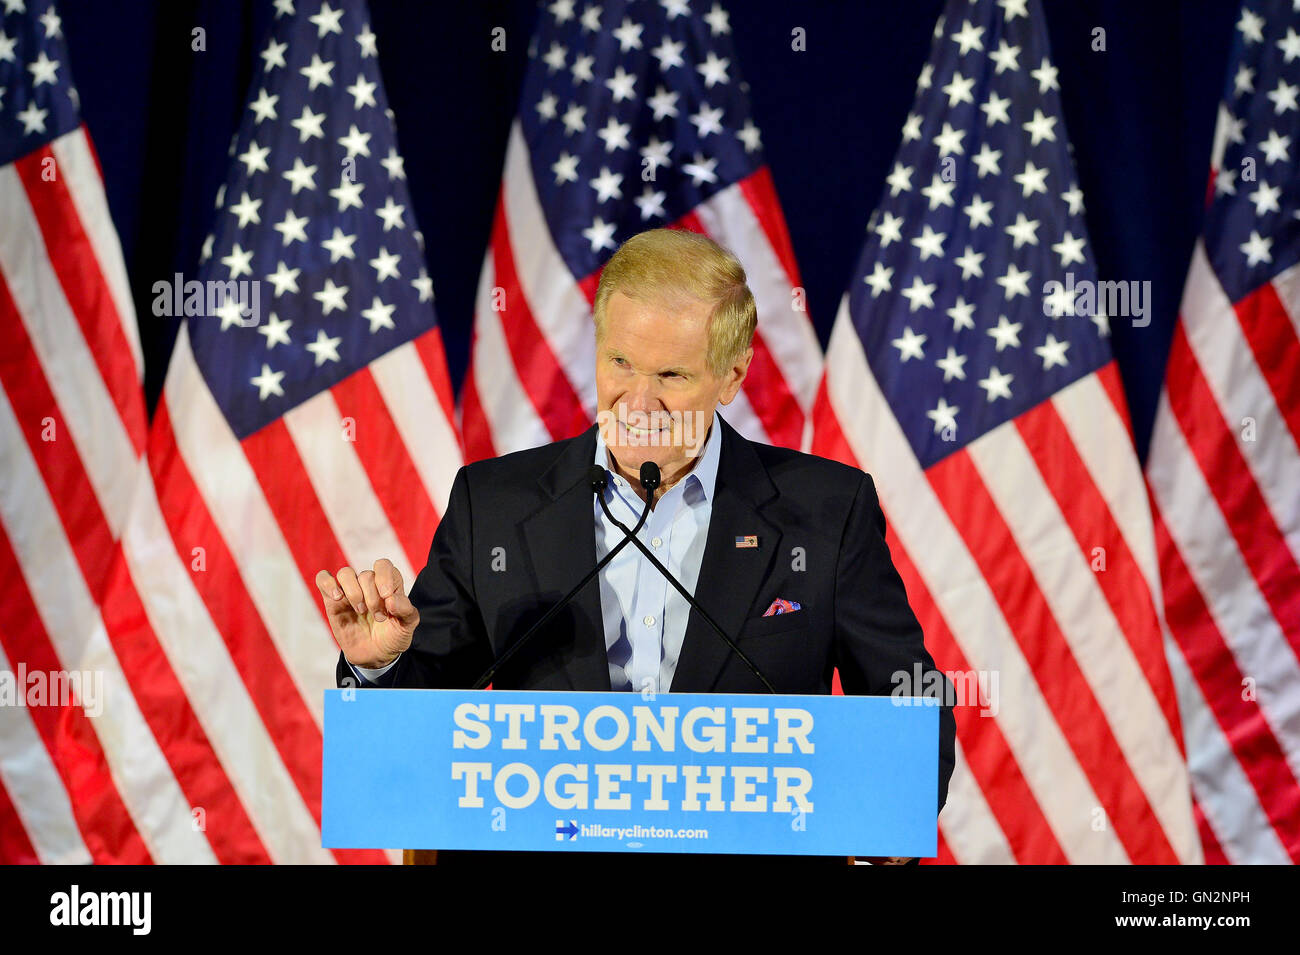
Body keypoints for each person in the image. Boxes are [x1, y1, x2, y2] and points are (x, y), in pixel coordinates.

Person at [316, 228, 956, 866]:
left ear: (732, 375)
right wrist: (381, 666)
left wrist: (878, 837)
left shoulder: (824, 512)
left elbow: (912, 707)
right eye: (620, 363)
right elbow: (423, 717)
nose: (638, 401)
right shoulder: (495, 504)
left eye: (671, 374)